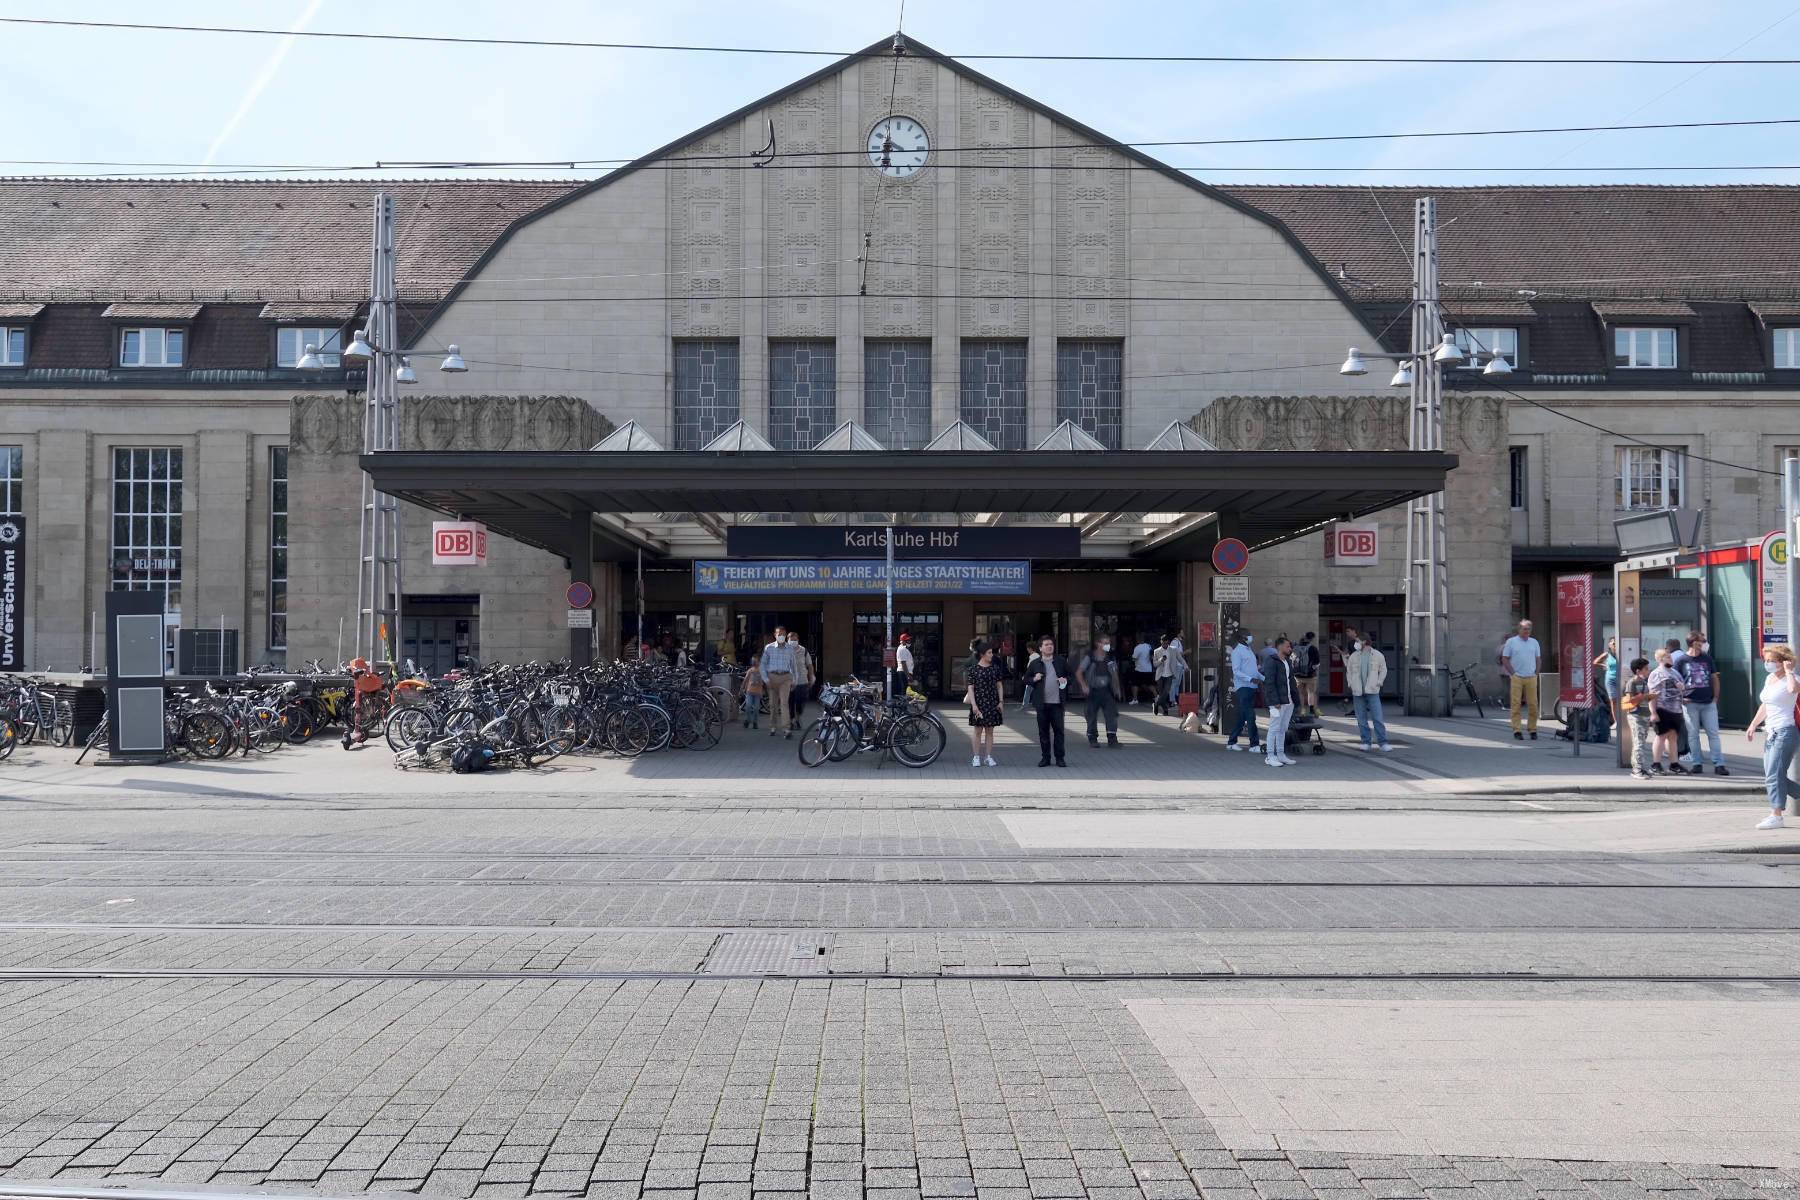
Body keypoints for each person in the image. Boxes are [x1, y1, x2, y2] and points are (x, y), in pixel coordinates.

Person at [1747, 643, 1800, 828]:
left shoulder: (1792, 679)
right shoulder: (1769, 678)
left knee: (1773, 775)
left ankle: (1776, 815)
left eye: (1772, 660)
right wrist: (1753, 724)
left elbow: (1794, 690)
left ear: (1783, 661)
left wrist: (1789, 671)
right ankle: (1776, 814)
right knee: (1774, 775)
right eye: (1766, 660)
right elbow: (1766, 705)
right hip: (1771, 732)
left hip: (1786, 731)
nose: (1768, 663)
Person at [1674, 631, 1727, 777]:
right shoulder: (1681, 660)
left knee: (1713, 733)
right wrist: (1681, 698)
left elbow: (1714, 678)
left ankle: (1719, 764)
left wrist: (1716, 697)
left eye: (1703, 641)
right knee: (1693, 734)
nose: (1703, 644)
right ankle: (1697, 763)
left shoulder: (1707, 659)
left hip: (1708, 702)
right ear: (1693, 643)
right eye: (1700, 641)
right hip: (1689, 702)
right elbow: (1674, 682)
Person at [1023, 636, 1073, 768]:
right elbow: (1026, 679)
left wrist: (1065, 680)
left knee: (1059, 732)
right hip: (1041, 703)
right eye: (1046, 645)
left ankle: (1060, 758)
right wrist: (1034, 678)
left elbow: (1071, 676)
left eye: (1051, 644)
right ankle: (1045, 758)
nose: (1049, 646)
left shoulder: (1061, 661)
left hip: (1057, 703)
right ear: (1040, 648)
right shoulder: (1035, 663)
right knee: (1043, 732)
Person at [1344, 633, 1393, 752]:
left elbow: (1383, 670)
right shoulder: (1354, 656)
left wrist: (1379, 682)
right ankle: (1366, 741)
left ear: (1364, 641)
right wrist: (1350, 684)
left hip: (1372, 690)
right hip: (1358, 691)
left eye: (1357, 641)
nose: (1355, 643)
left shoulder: (1377, 655)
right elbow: (1349, 671)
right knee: (1361, 718)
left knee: (1377, 717)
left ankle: (1383, 742)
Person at [965, 640, 1006, 768]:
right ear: (982, 654)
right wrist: (974, 705)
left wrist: (1000, 701)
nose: (992, 655)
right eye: (989, 653)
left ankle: (988, 757)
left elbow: (999, 686)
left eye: (991, 652)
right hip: (979, 703)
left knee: (990, 731)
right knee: (977, 731)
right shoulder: (973, 670)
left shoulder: (995, 669)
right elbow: (970, 688)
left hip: (993, 703)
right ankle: (976, 757)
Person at [1647, 647, 1686, 774]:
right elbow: (1652, 694)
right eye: (1667, 657)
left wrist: (1682, 688)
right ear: (1660, 659)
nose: (1671, 658)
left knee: (1673, 737)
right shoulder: (1656, 673)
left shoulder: (1675, 673)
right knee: (1661, 736)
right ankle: (1655, 764)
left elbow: (1682, 688)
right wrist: (1653, 712)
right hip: (1663, 709)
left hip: (1676, 709)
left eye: (1670, 656)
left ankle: (1674, 764)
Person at [1502, 619, 1542, 741]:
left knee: (1533, 704)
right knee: (1516, 704)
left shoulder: (1534, 642)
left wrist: (1536, 673)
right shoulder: (1511, 642)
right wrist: (1513, 673)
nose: (1527, 631)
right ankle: (1517, 729)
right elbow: (1505, 658)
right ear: (1519, 629)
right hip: (1517, 677)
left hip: (1531, 677)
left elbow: (1538, 659)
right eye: (1524, 629)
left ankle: (1532, 729)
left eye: (1529, 629)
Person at [1262, 637, 1299, 768]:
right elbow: (1269, 683)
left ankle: (1281, 754)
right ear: (1280, 647)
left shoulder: (1287, 661)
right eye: (1288, 647)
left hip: (1288, 701)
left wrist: (1295, 700)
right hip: (1277, 702)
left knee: (1283, 728)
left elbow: (1291, 681)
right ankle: (1270, 756)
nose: (1290, 649)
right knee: (1274, 728)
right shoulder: (1271, 661)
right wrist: (1274, 701)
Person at [1079, 641, 1123, 748]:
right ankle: (1092, 739)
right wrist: (1084, 686)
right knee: (1091, 716)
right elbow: (1079, 671)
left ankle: (1112, 739)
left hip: (1107, 691)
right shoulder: (1090, 658)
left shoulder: (1110, 658)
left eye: (1108, 642)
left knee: (1111, 715)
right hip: (1093, 691)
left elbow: (1114, 674)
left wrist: (1117, 689)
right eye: (1105, 643)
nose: (1108, 645)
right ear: (1098, 644)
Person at [1225, 631, 1263, 753]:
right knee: (1251, 716)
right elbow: (1236, 671)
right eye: (1248, 635)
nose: (1250, 636)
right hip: (1243, 687)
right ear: (1242, 638)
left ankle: (1231, 742)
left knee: (1242, 717)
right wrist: (1250, 679)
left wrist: (1264, 679)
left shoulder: (1249, 650)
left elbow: (1254, 670)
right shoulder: (1237, 652)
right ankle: (1254, 744)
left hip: (1252, 687)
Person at [760, 625, 797, 740]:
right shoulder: (769, 648)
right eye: (779, 634)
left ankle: (786, 729)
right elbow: (762, 665)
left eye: (783, 634)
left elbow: (793, 666)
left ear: (785, 636)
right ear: (775, 635)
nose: (781, 636)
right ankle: (773, 726)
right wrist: (766, 680)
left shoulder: (790, 649)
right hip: (772, 677)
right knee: (772, 705)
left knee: (784, 703)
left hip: (785, 677)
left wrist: (795, 680)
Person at [1620, 656, 1654, 780]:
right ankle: (1636, 769)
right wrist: (1642, 696)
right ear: (1638, 670)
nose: (1648, 671)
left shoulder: (1644, 682)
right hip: (1636, 715)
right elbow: (1629, 699)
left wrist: (1650, 697)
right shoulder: (1632, 682)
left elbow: (1644, 698)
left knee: (1642, 742)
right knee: (1638, 743)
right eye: (1646, 669)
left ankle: (1640, 767)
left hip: (1645, 714)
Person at [1594, 638, 1620, 729]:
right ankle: (1616, 722)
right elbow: (1595, 662)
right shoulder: (1607, 654)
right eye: (1613, 643)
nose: (1615, 645)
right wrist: (1604, 665)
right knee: (1613, 701)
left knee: (1623, 699)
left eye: (1616, 643)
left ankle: (1624, 720)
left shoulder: (1621, 653)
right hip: (1611, 679)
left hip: (1621, 679)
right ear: (1609, 645)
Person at [1293, 632, 1321, 717]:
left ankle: (1302, 710)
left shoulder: (1295, 648)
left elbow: (1292, 660)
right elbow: (1317, 662)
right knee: (1311, 692)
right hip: (1310, 675)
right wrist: (1312, 669)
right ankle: (1311, 709)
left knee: (1301, 693)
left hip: (1298, 675)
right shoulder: (1313, 648)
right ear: (1311, 639)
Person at [788, 636, 814, 725]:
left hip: (802, 680)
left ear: (798, 640)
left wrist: (811, 676)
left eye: (795, 640)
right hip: (789, 682)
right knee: (790, 702)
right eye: (791, 640)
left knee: (801, 701)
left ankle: (798, 717)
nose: (793, 642)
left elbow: (809, 665)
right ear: (788, 640)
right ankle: (791, 720)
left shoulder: (804, 651)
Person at [1165, 632, 1189, 712]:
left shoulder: (1178, 642)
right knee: (1174, 683)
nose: (1184, 633)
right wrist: (1186, 652)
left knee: (1177, 684)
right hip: (1176, 665)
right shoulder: (1174, 642)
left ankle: (1176, 699)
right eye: (1182, 632)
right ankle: (1172, 701)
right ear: (1178, 633)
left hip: (1179, 665)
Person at [1131, 633, 1155, 706]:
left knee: (1134, 684)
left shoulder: (1137, 648)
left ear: (1138, 640)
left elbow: (1134, 658)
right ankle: (1157, 696)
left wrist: (1132, 658)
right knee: (1150, 684)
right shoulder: (1149, 646)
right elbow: (1152, 656)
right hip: (1148, 669)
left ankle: (1135, 699)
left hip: (1139, 669)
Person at [742, 653, 765, 730]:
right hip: (749, 692)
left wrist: (763, 691)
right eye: (753, 661)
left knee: (756, 709)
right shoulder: (750, 670)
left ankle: (755, 722)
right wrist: (742, 688)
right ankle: (748, 720)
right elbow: (745, 680)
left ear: (759, 662)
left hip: (757, 693)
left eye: (755, 661)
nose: (754, 663)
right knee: (748, 706)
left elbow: (763, 682)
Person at [1151, 635, 1172, 715]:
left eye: (1166, 643)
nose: (1165, 645)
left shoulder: (1172, 650)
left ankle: (1156, 704)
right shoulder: (1156, 651)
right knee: (1161, 694)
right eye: (1163, 643)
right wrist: (1161, 660)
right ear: (1161, 642)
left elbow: (1178, 658)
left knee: (1166, 692)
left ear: (1168, 642)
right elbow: (1155, 664)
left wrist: (1185, 665)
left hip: (1169, 674)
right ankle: (1165, 709)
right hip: (1160, 675)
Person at [894, 632, 915, 697]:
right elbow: (903, 663)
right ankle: (903, 706)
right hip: (903, 672)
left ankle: (903, 705)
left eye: (909, 640)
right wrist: (908, 676)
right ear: (903, 641)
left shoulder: (904, 649)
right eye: (907, 640)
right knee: (904, 690)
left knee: (906, 690)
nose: (909, 641)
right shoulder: (902, 649)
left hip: (904, 672)